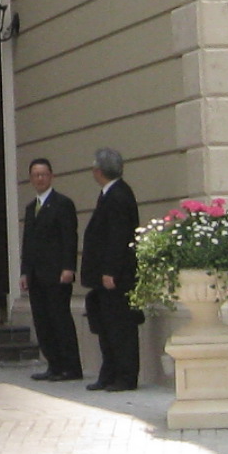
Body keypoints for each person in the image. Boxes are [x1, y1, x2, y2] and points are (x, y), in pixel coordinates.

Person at [79, 146, 142, 391]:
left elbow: (118, 237)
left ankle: (125, 376)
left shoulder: (118, 196)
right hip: (106, 275)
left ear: (98, 171)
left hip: (116, 276)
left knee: (120, 327)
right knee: (106, 326)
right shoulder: (110, 194)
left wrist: (110, 271)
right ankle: (109, 373)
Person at [19, 157, 81, 382]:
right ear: (31, 178)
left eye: (44, 174)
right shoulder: (30, 208)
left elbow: (69, 238)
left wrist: (68, 267)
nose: (40, 179)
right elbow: (28, 242)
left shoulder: (63, 204)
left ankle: (70, 367)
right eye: (36, 175)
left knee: (59, 320)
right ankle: (53, 364)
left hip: (57, 274)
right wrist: (25, 272)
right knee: (42, 321)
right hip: (36, 275)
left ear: (51, 176)